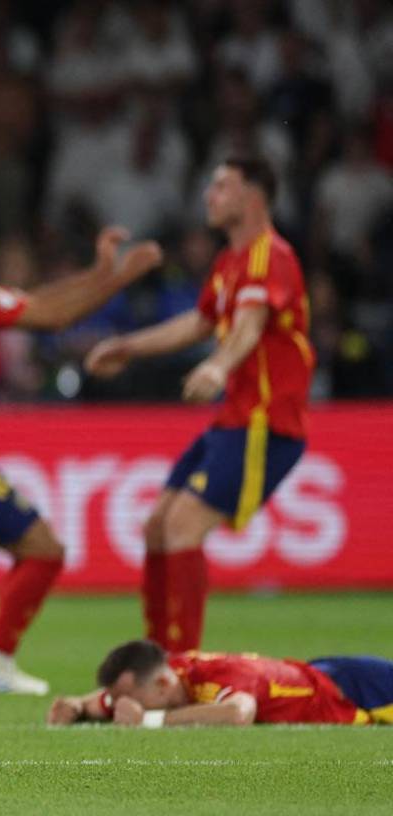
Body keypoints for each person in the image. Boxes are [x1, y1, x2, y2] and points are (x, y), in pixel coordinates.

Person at [0, 201, 163, 695]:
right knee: (44, 550)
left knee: (41, 550)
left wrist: (99, 272)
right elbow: (52, 315)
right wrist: (121, 277)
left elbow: (38, 302)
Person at [85, 157, 313, 653]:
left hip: (266, 423)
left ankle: (182, 666)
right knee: (156, 527)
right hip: (233, 421)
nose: (210, 195)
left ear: (253, 196)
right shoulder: (230, 261)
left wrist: (218, 367)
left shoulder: (270, 255)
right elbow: (198, 323)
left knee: (183, 525)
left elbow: (249, 325)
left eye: (222, 186)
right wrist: (127, 346)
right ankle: (153, 659)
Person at [48, 639, 393, 726]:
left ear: (163, 685)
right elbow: (111, 698)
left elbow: (238, 714)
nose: (121, 706)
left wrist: (149, 720)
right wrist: (77, 705)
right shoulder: (170, 673)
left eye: (128, 698)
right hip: (320, 674)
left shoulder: (222, 679)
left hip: (357, 688)